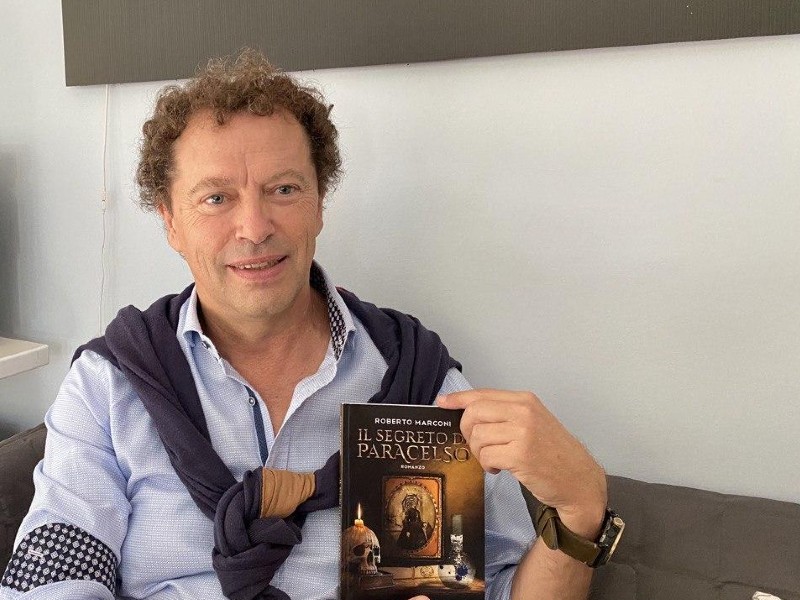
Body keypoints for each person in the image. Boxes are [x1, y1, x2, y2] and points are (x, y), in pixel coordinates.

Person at [1, 50, 610, 600]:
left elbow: (496, 591)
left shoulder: (417, 384)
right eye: (215, 198)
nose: (254, 227)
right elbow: (55, 577)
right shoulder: (110, 385)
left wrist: (581, 508)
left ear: (320, 203)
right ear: (170, 221)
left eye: (284, 189)